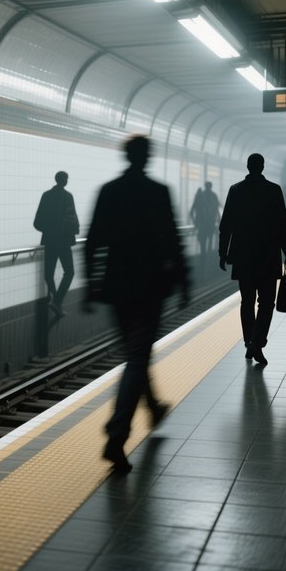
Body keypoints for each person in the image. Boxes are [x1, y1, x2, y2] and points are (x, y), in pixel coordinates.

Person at [84, 136, 189, 472]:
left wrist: (90, 285)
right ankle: (116, 435)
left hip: (117, 287)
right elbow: (172, 238)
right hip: (150, 286)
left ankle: (153, 407)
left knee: (136, 354)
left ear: (126, 156)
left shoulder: (109, 191)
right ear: (147, 158)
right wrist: (183, 281)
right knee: (137, 356)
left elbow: (93, 241)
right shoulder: (158, 192)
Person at [218, 153, 286, 366]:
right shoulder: (273, 190)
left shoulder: (236, 190)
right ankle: (257, 342)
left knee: (247, 301)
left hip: (243, 256)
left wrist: (223, 252)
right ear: (263, 167)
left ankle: (249, 341)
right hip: (268, 255)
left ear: (248, 166)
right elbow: (283, 223)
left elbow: (226, 224)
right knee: (267, 302)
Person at [34, 171, 79, 315]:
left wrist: (49, 230)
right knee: (69, 272)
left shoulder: (46, 196)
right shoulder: (68, 197)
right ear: (65, 181)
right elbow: (73, 219)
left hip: (50, 241)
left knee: (49, 274)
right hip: (64, 242)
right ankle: (57, 302)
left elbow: (37, 222)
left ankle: (55, 300)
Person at [190, 180, 221, 255]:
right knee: (209, 242)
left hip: (202, 224)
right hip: (210, 223)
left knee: (203, 243)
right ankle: (207, 256)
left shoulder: (200, 195)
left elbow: (192, 211)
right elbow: (217, 208)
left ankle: (203, 257)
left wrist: (195, 222)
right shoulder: (213, 196)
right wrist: (218, 218)